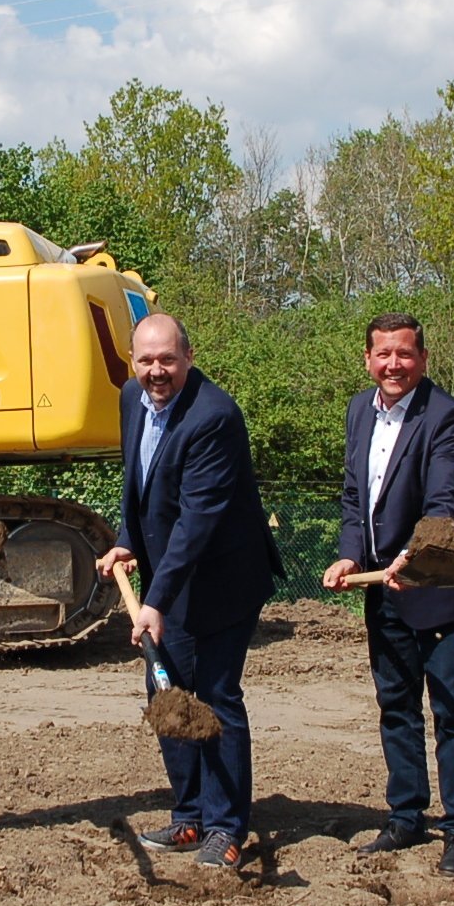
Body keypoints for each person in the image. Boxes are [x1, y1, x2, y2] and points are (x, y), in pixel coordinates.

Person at [97, 313, 283, 872]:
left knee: (216, 696)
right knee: (167, 694)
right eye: (146, 360)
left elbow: (197, 520)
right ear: (134, 361)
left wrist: (154, 602)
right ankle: (189, 816)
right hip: (170, 578)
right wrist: (129, 541)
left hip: (223, 580)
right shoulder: (133, 398)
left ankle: (226, 827)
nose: (156, 371)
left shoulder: (214, 417)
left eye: (168, 360)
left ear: (189, 357)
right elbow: (141, 484)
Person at [319, 313, 454, 877]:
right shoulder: (359, 410)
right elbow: (352, 498)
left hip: (438, 588)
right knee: (396, 707)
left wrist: (411, 560)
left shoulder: (448, 418)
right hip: (381, 591)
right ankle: (406, 817)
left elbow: (445, 502)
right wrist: (350, 555)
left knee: (450, 711)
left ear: (423, 359)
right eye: (384, 354)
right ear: (367, 358)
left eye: (405, 354)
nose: (394, 364)